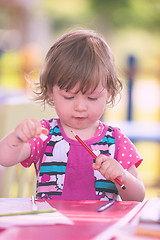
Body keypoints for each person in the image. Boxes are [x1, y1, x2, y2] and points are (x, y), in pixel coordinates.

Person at [0, 29, 145, 201]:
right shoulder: (44, 134)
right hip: (52, 225)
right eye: (69, 96)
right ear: (50, 90)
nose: (80, 107)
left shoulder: (116, 141)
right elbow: (4, 158)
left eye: (92, 97)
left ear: (109, 93)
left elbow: (137, 198)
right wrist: (18, 137)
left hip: (100, 227)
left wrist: (122, 176)